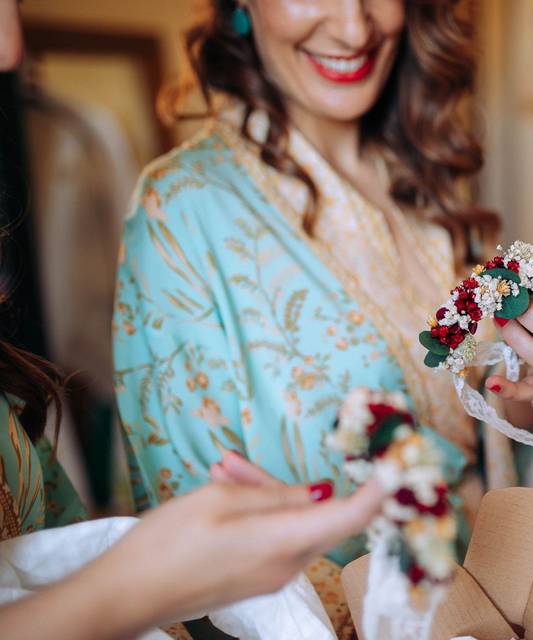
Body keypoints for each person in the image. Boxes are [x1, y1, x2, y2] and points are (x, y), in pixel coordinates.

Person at [113, 0, 533, 563]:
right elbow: (190, 547)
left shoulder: (429, 180)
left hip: (486, 587)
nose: (354, 27)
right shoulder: (181, 210)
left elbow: (478, 428)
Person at [0, 3, 385, 637]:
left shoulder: (432, 197)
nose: (354, 23)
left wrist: (516, 384)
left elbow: (475, 458)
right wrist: (137, 585)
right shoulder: (179, 211)